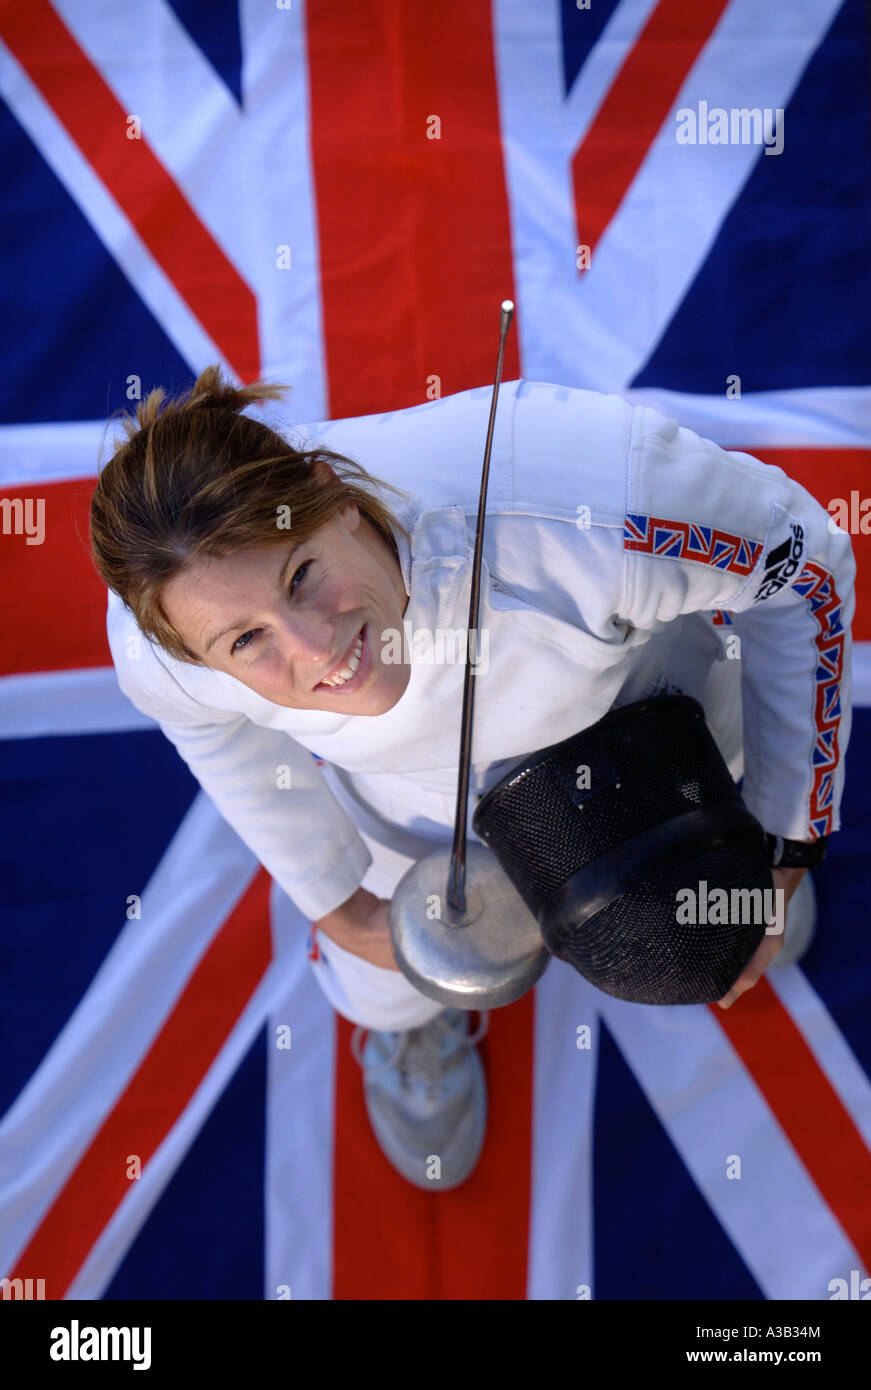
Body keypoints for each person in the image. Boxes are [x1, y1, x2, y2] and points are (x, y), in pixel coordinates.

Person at [89, 366, 855, 1190]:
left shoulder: (591, 501)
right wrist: (336, 901)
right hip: (414, 813)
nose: (316, 651)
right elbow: (211, 733)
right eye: (246, 642)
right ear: (193, 656)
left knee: (720, 862)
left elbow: (802, 569)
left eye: (301, 574)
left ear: (332, 494)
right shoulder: (159, 646)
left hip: (648, 727)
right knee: (384, 975)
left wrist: (783, 834)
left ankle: (722, 843)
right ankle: (407, 1027)